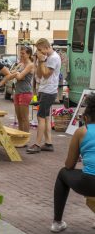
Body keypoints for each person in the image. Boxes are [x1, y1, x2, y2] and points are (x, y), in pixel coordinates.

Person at [50, 93, 95, 232]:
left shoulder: (82, 131)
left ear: (85, 118)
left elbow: (69, 165)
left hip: (90, 182)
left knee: (63, 173)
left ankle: (57, 222)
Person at [27, 38, 61, 154]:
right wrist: (39, 61)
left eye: (40, 50)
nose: (39, 52)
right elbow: (39, 74)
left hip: (49, 91)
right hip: (44, 89)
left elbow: (46, 75)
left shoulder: (53, 58)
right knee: (46, 118)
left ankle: (37, 144)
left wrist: (42, 62)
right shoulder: (46, 58)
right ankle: (48, 143)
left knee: (40, 117)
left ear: (47, 48)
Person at [7, 46, 34, 133]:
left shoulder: (30, 65)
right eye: (20, 53)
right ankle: (20, 136)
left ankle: (25, 137)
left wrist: (17, 74)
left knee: (24, 117)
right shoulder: (21, 64)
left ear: (29, 54)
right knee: (19, 117)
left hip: (25, 92)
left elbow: (19, 77)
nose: (21, 55)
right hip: (17, 92)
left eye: (23, 53)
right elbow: (11, 74)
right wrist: (17, 74)